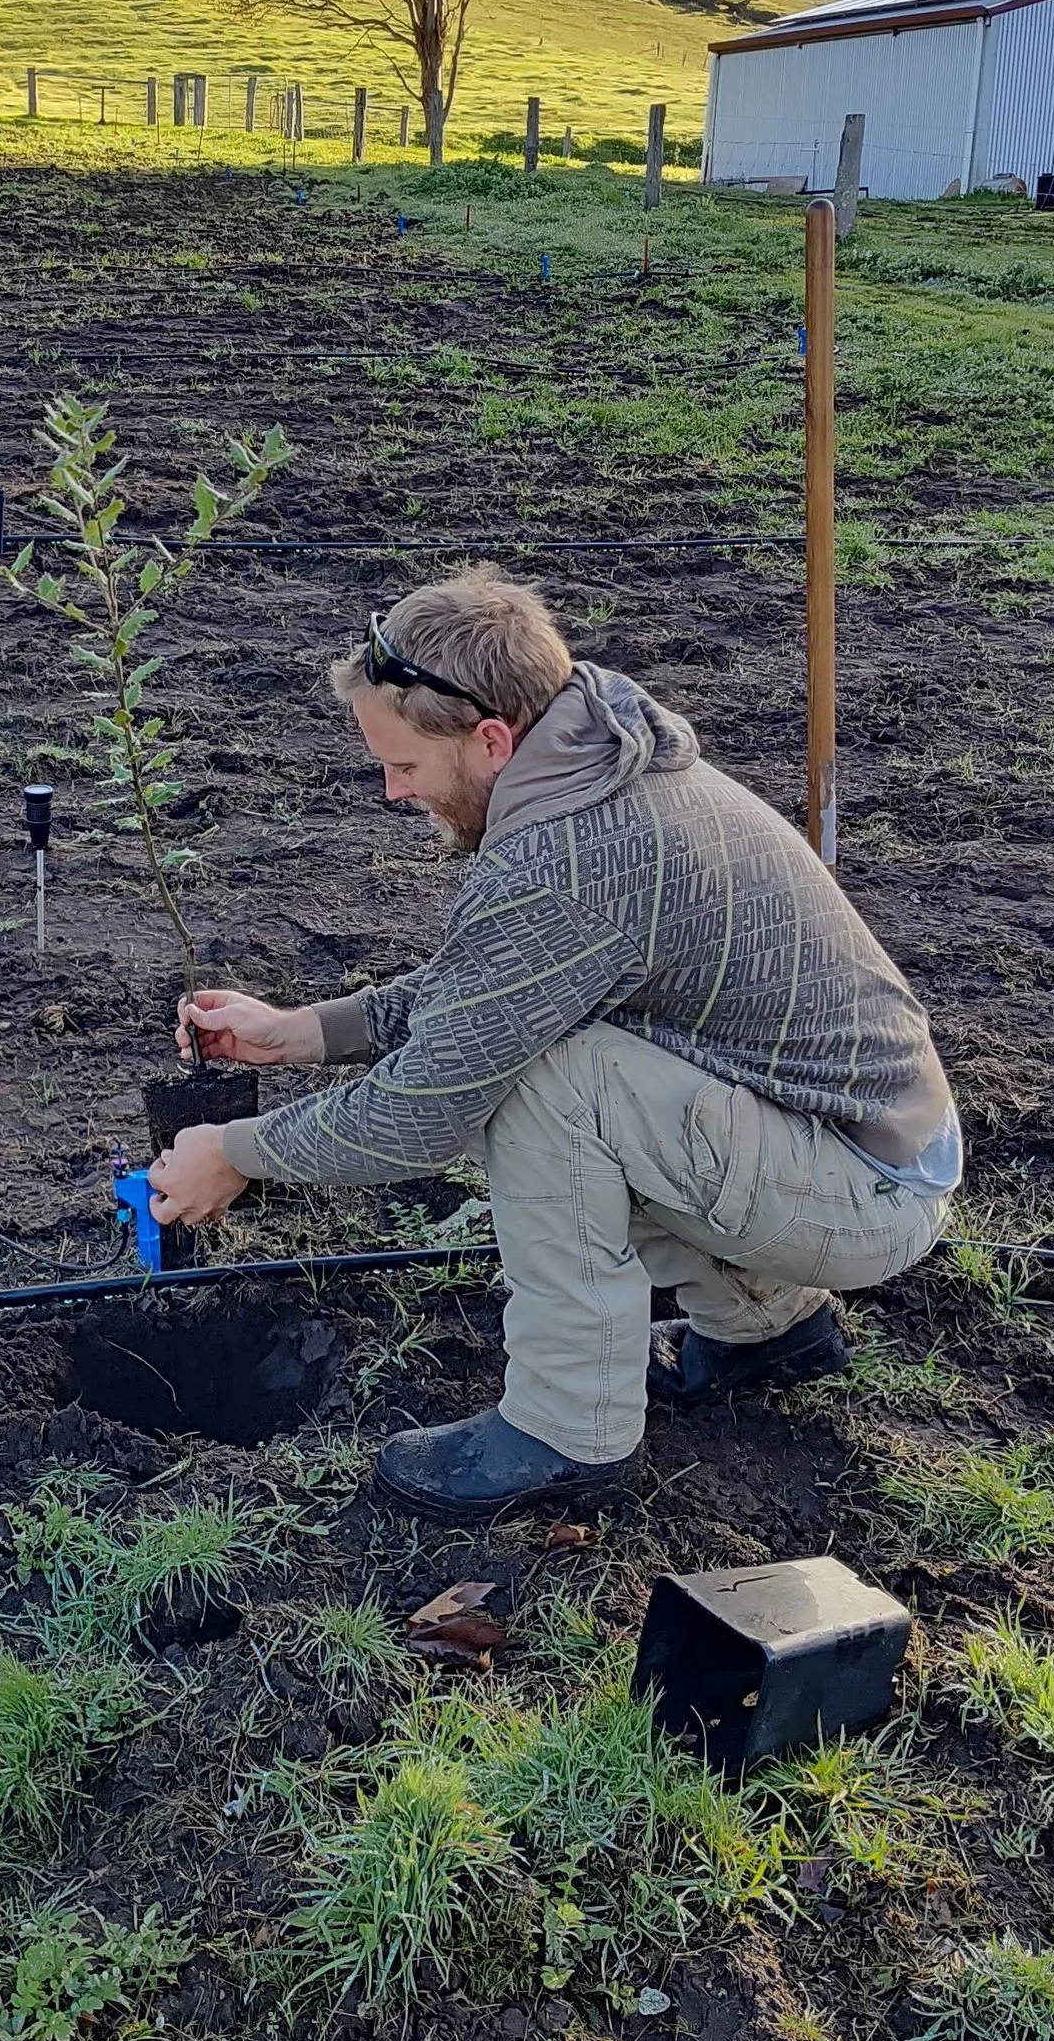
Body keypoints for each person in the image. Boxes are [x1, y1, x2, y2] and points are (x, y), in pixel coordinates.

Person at [144, 566, 960, 1522]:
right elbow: (496, 983)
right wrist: (305, 1034)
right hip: (857, 1139)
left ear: (492, 739)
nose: (391, 789)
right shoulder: (592, 752)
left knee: (543, 1082)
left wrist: (238, 1155)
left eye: (405, 765)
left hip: (866, 1191)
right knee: (556, 1048)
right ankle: (762, 1330)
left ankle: (566, 1426)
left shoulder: (568, 859)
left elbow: (425, 1108)